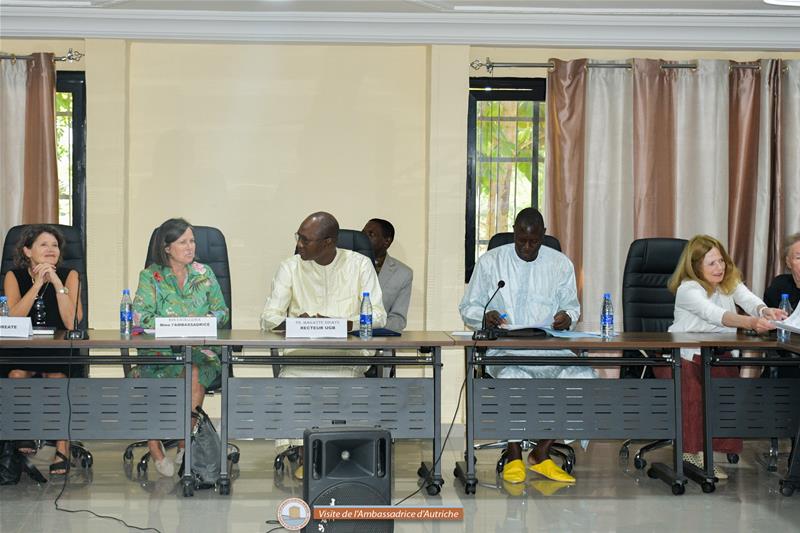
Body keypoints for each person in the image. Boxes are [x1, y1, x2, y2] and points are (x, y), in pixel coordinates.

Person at [459, 207, 595, 485]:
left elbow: (572, 307)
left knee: (585, 379)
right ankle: (513, 455)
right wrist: (484, 316)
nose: (527, 247)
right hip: (507, 349)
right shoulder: (491, 262)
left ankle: (541, 453)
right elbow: (468, 307)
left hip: (550, 348)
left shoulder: (560, 264)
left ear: (544, 236)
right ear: (514, 234)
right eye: (522, 240)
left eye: (534, 241)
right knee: (514, 380)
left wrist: (566, 317)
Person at [260, 211, 386, 479]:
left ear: (328, 242)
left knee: (340, 386)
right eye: (299, 237)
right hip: (301, 358)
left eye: (306, 240)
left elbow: (378, 315)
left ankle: (340, 455)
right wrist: (295, 323)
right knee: (296, 383)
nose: (299, 245)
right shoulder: (290, 267)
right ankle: (311, 456)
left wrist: (341, 324)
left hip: (347, 358)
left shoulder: (360, 265)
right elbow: (268, 318)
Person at [667, 234, 786, 479]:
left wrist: (765, 311)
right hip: (685, 358)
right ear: (696, 265)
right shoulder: (688, 289)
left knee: (728, 396)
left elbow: (750, 300)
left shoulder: (728, 282)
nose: (720, 267)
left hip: (718, 355)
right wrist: (752, 322)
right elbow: (716, 315)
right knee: (694, 391)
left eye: (721, 261)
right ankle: (690, 453)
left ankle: (709, 451)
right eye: (712, 263)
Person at [130, 218, 229, 477]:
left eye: (192, 241)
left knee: (196, 371)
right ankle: (154, 443)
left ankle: (186, 442)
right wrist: (180, 324)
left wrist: (205, 322)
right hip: (160, 351)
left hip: (199, 349)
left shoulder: (204, 273)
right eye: (183, 242)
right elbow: (141, 317)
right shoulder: (150, 276)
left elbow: (222, 312)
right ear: (166, 247)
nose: (190, 247)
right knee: (158, 382)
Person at [2, 224, 83, 475]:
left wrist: (56, 281)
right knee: (16, 376)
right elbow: (13, 318)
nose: (51, 250)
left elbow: (72, 322)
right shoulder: (14, 276)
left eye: (55, 246)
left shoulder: (70, 275)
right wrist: (37, 284)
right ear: (27, 251)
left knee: (57, 378)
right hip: (22, 347)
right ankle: (22, 433)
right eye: (43, 245)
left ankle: (62, 447)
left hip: (58, 347)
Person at [362, 218, 412, 332]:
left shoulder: (403, 273)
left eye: (371, 234)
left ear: (386, 241)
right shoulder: (349, 266)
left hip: (381, 343)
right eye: (362, 234)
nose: (364, 238)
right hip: (345, 341)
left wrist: (363, 326)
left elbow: (398, 320)